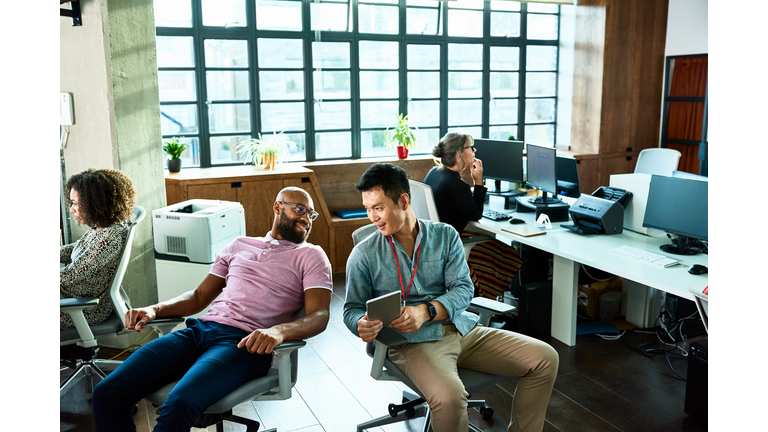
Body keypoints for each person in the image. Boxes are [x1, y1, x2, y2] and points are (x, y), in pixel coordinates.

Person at [93, 187, 333, 432]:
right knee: (108, 393)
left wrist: (278, 331)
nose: (306, 218)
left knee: (180, 403)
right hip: (199, 332)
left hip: (244, 344)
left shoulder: (311, 255)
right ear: (278, 207)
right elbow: (199, 297)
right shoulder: (239, 245)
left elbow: (320, 315)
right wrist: (155, 309)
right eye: (300, 210)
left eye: (311, 214)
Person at [344, 163, 558, 432]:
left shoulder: (445, 235)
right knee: (449, 398)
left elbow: (464, 289)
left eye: (378, 207)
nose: (372, 217)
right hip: (412, 342)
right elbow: (351, 308)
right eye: (367, 208)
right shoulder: (364, 254)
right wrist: (359, 324)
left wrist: (426, 311)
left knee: (545, 358)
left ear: (403, 200)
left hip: (461, 329)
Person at [423, 132, 522, 300]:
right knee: (507, 252)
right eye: (471, 147)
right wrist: (478, 181)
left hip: (432, 242)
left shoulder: (434, 172)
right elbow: (476, 214)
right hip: (450, 245)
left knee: (489, 238)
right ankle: (485, 298)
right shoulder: (456, 184)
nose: (475, 150)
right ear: (458, 153)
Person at [61, 168, 137, 330]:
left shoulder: (109, 237)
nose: (71, 209)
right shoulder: (101, 227)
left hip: (84, 308)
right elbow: (76, 249)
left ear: (94, 203)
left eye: (75, 203)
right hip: (72, 297)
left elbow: (70, 275)